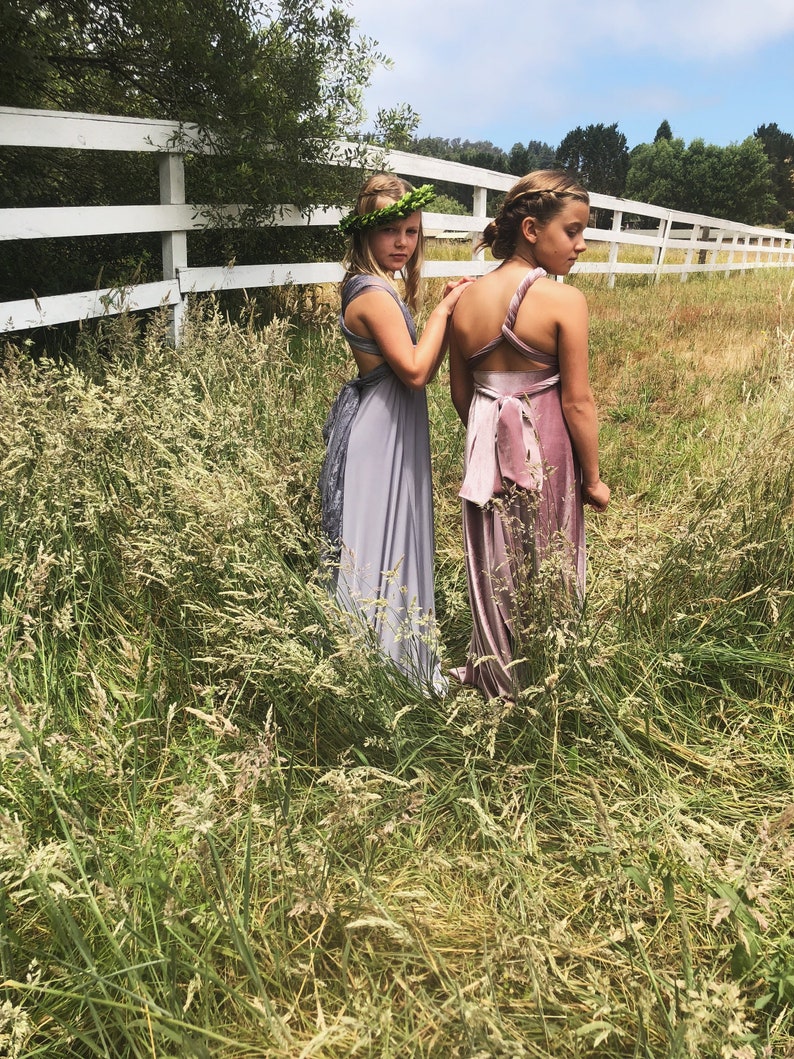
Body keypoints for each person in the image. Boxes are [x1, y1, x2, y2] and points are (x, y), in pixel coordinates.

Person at [448, 170, 610, 701]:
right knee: (551, 551)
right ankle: (548, 670)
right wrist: (594, 477)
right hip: (550, 448)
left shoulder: (463, 301)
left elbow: (461, 394)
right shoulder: (565, 302)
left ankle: (496, 674)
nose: (582, 245)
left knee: (493, 556)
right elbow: (578, 401)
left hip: (485, 449)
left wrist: (492, 441)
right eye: (574, 231)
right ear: (532, 229)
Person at [319, 173, 472, 692]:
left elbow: (417, 361)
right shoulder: (372, 294)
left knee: (395, 533)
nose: (402, 242)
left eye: (411, 230)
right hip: (381, 428)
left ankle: (393, 659)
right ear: (365, 234)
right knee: (375, 541)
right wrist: (446, 311)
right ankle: (376, 664)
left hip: (391, 421)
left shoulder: (379, 288)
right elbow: (414, 369)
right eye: (389, 231)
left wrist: (440, 321)